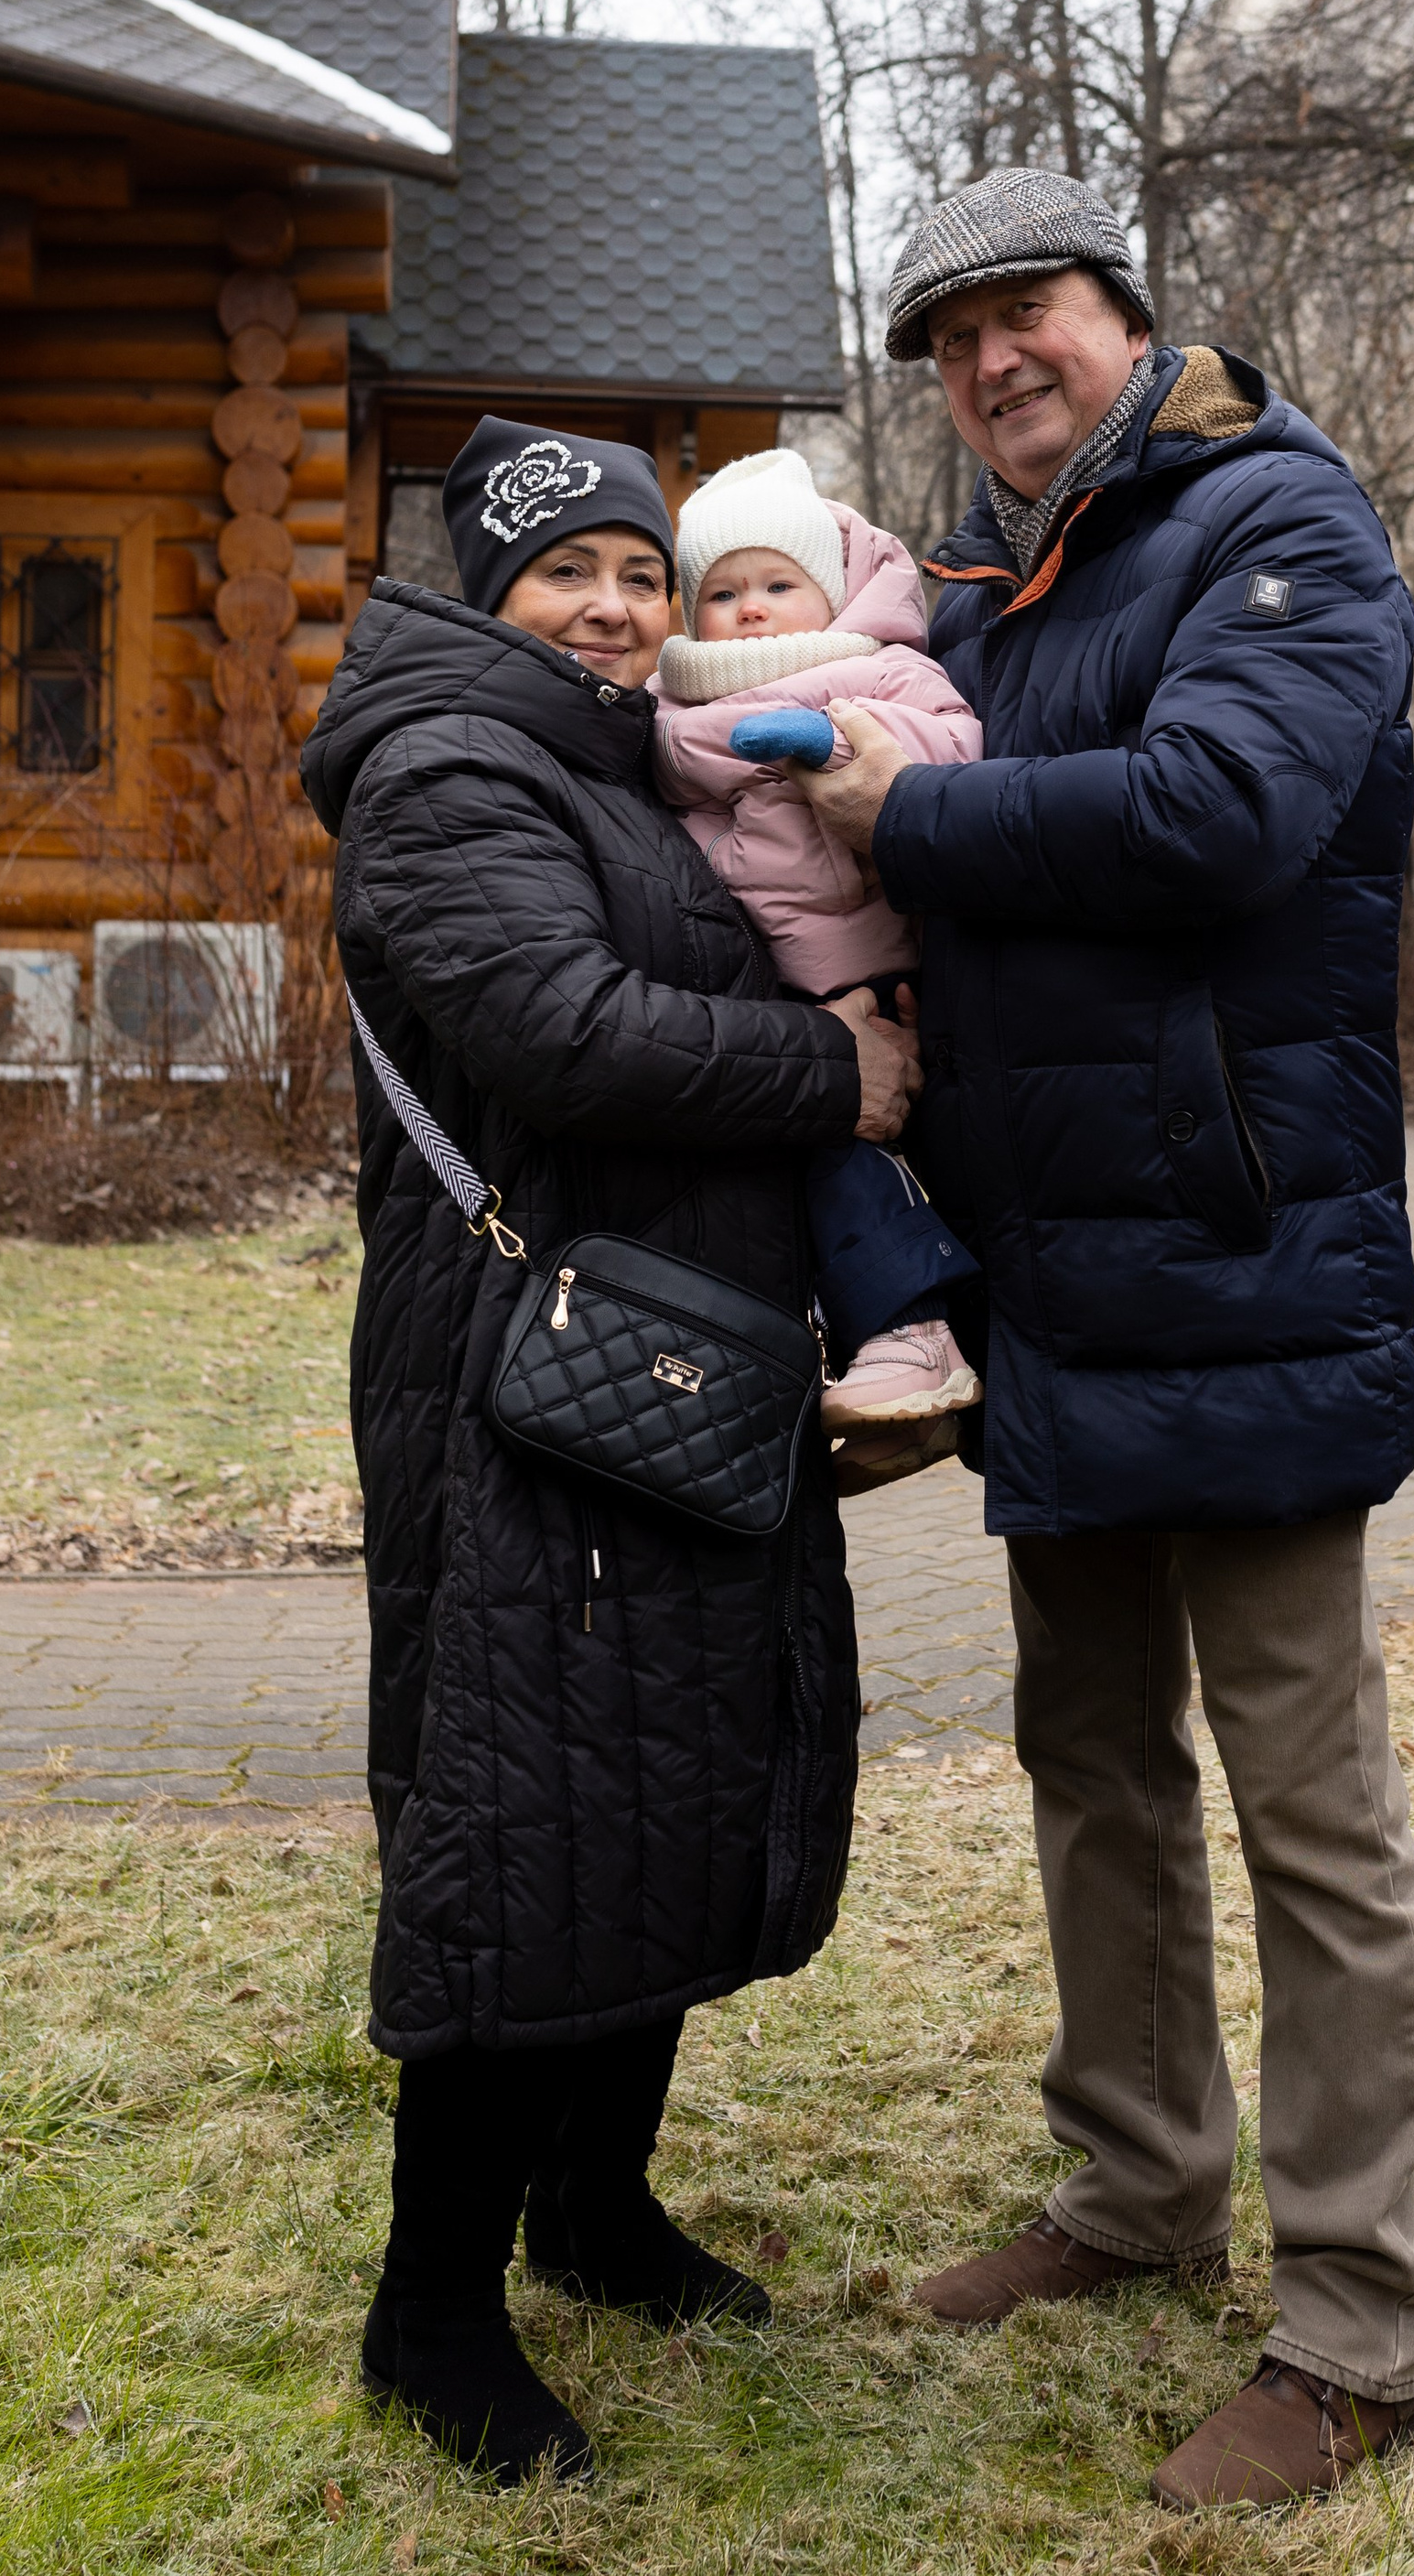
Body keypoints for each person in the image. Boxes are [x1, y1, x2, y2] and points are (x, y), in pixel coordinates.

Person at [790, 169, 1414, 2514]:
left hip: (1240, 1257)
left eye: (1027, 312)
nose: (991, 359)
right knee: (1088, 1749)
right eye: (950, 334)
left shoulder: (1277, 524)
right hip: (1053, 1281)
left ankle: (1360, 2317)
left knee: (1309, 1808)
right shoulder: (981, 581)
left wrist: (917, 808)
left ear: (1122, 316)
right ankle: (1134, 2178)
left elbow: (1221, 812)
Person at [298, 413, 920, 2489]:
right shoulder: (446, 771)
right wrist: (826, 1068)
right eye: (568, 570)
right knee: (516, 1813)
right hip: (522, 1383)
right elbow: (558, 1027)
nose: (618, 604)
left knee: (652, 1785)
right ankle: (433, 2305)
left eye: (641, 572)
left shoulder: (609, 762)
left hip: (668, 1368)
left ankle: (596, 2207)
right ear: (487, 591)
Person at [651, 444, 983, 1484]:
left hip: (880, 976)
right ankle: (866, 1367)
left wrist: (838, 744)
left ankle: (913, 1330)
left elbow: (955, 750)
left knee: (849, 1158)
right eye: (724, 592)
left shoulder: (876, 668)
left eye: (777, 584)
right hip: (775, 992)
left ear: (829, 591)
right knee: (787, 1166)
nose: (751, 611)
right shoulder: (675, 720)